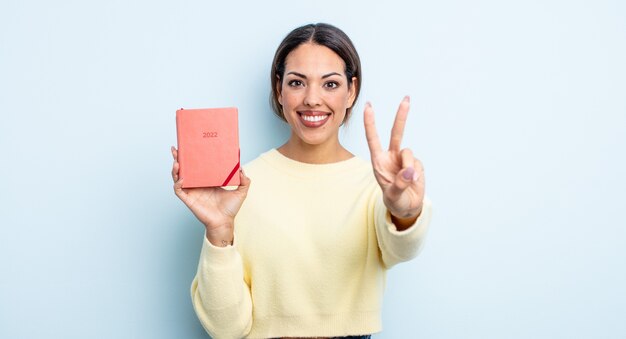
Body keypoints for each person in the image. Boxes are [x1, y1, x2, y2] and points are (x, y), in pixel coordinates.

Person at [171, 23, 432, 339]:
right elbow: (226, 329)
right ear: (279, 89)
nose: (312, 99)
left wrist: (405, 213)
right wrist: (218, 231)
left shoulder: (377, 184)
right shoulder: (240, 189)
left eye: (330, 84)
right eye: (297, 82)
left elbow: (401, 250)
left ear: (351, 90)